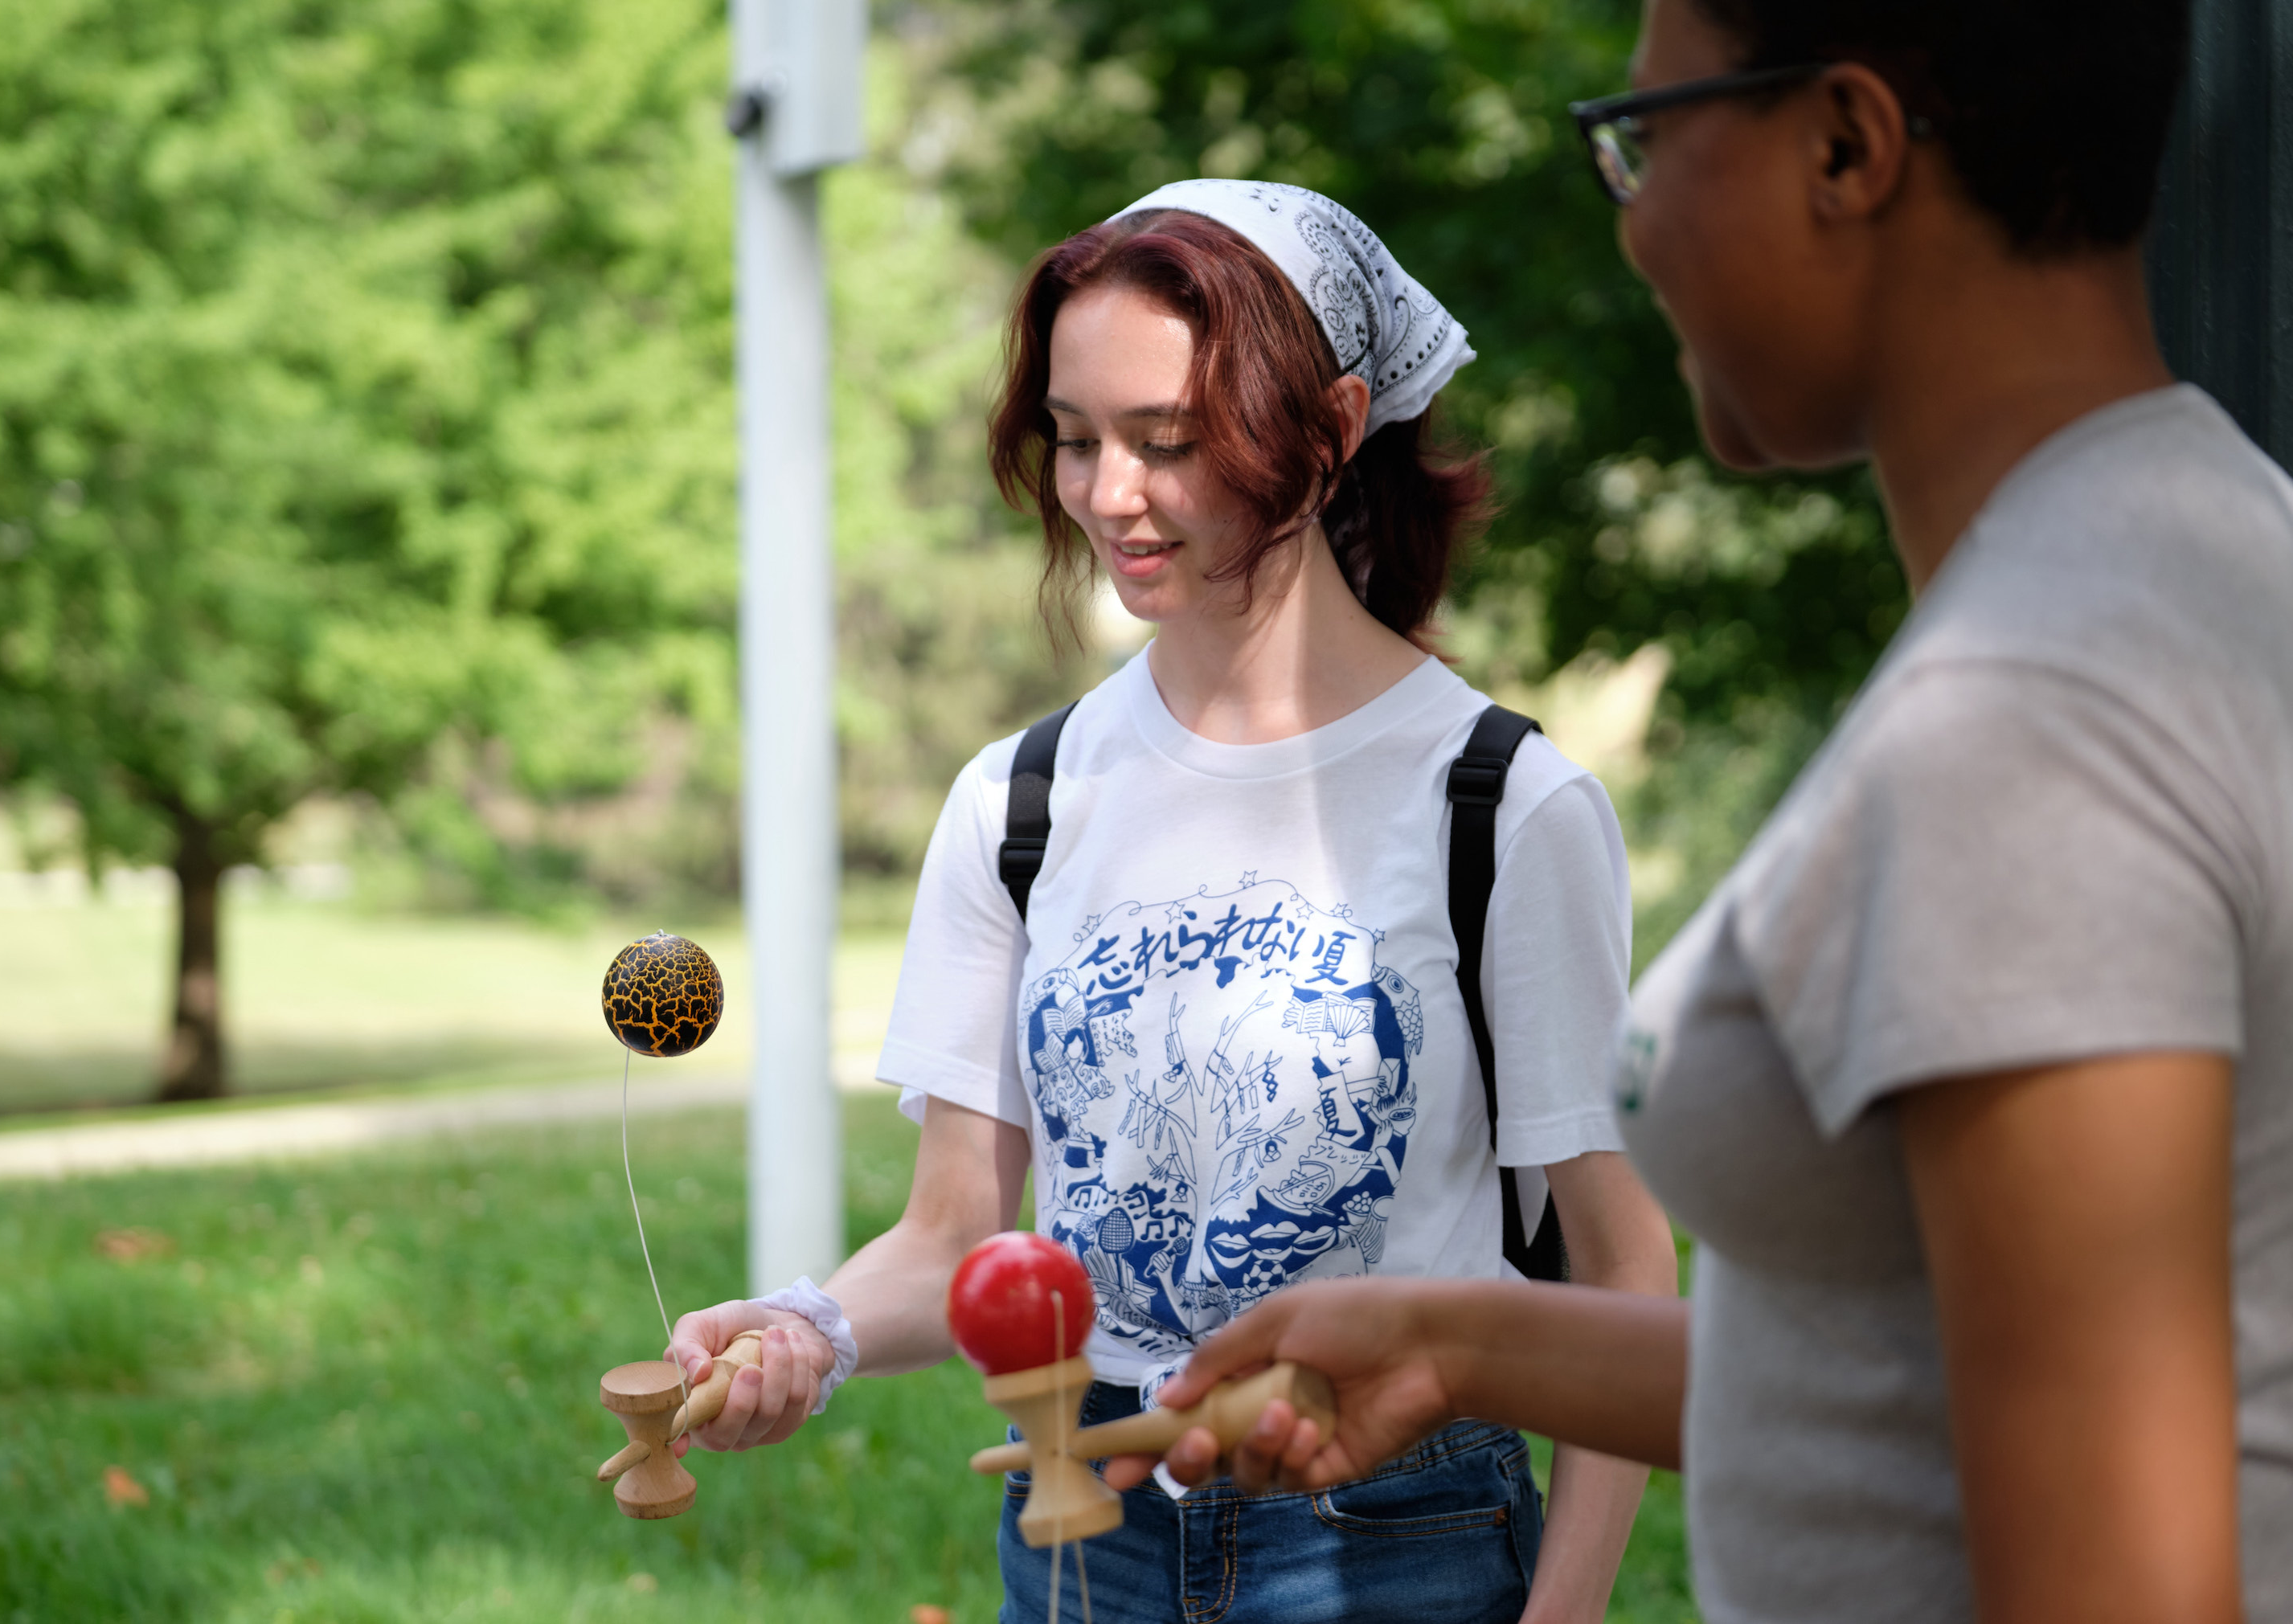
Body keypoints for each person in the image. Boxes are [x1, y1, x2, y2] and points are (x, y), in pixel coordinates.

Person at [1129, 3, 2293, 1623]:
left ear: (1846, 146)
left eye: (1647, 141)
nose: (1635, 222)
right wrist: (1454, 1341)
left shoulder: (2029, 727)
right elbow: (1914, 1361)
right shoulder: (2210, 528)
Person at [662, 180, 1678, 1624]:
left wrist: (1560, 1615)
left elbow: (1619, 1261)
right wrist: (806, 1330)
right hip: (1085, 1531)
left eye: (1168, 442)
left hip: (1400, 1536)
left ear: (1329, 431)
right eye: (1076, 439)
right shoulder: (1019, 802)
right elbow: (956, 1235)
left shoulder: (1503, 805)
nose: (1106, 494)